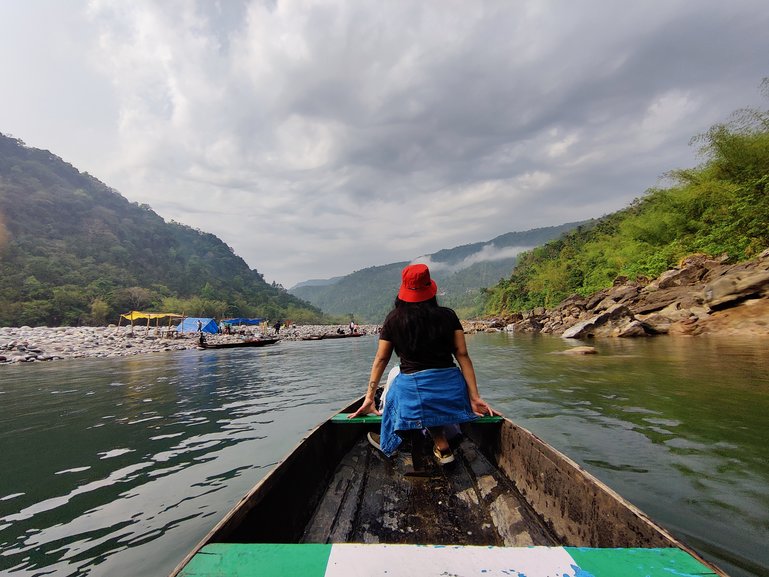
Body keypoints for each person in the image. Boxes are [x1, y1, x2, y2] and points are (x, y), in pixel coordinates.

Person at [349, 263, 499, 464]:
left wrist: (369, 398)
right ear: (430, 289)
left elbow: (381, 359)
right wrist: (474, 397)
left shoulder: (393, 319)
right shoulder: (449, 315)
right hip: (452, 391)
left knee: (395, 391)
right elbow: (462, 355)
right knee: (424, 397)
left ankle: (394, 442)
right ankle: (442, 443)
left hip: (412, 391)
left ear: (404, 291)